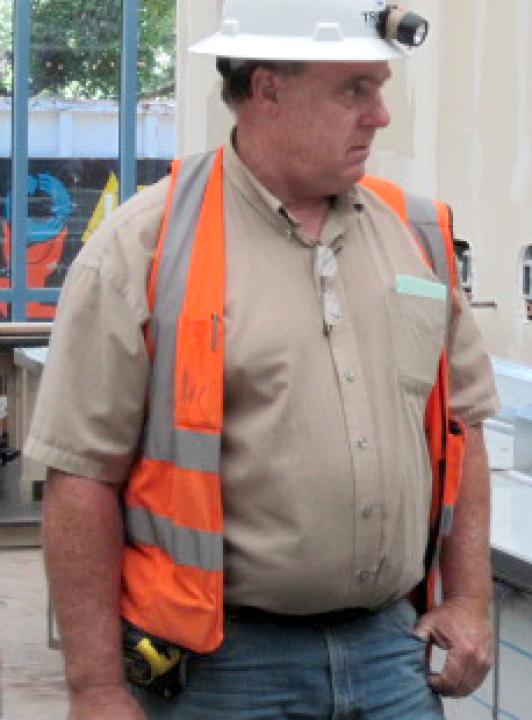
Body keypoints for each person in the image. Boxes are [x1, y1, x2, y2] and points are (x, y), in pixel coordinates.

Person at [28, 2, 499, 718]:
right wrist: (94, 687)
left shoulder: (418, 235)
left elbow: (464, 428)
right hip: (224, 665)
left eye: (380, 87)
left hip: (390, 652)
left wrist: (469, 600)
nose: (380, 116)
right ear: (267, 88)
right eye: (354, 90)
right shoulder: (146, 250)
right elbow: (82, 477)